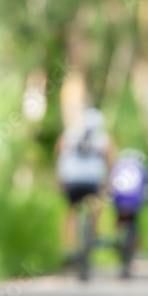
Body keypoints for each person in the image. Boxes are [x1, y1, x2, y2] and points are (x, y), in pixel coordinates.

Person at [55, 107, 114, 261]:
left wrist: (60, 177)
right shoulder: (103, 138)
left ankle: (68, 247)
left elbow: (59, 153)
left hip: (72, 179)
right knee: (97, 206)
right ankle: (92, 236)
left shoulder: (69, 135)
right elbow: (109, 159)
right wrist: (109, 180)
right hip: (94, 180)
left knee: (71, 210)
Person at [108, 148, 148, 279]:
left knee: (119, 220)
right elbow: (144, 186)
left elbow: (111, 184)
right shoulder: (140, 168)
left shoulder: (118, 166)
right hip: (134, 201)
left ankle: (117, 242)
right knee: (135, 224)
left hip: (119, 199)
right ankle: (137, 251)